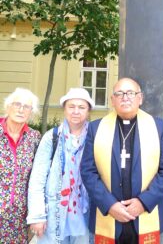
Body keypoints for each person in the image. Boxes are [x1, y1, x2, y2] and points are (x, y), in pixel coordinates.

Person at [80, 77, 163, 244]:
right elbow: (88, 170)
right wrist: (109, 205)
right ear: (112, 100)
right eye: (119, 93)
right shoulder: (96, 128)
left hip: (148, 213)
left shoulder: (158, 127)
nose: (125, 97)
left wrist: (143, 202)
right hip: (109, 215)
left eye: (131, 93)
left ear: (140, 98)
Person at [27, 88, 94, 243]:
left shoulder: (96, 136)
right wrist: (37, 216)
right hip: (54, 214)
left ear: (88, 110)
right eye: (71, 106)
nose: (76, 111)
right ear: (64, 108)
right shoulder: (52, 137)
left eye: (81, 107)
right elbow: (37, 179)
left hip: (85, 214)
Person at [0, 88, 41, 243]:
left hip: (18, 215)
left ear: (31, 112)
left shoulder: (34, 138)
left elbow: (37, 176)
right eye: (17, 104)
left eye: (26, 106)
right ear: (8, 106)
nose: (21, 109)